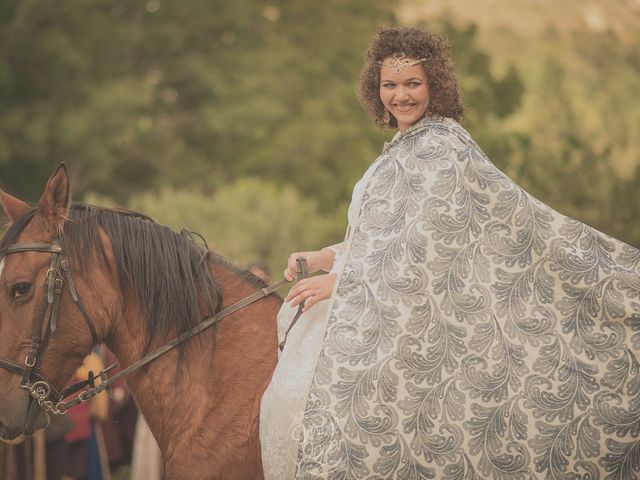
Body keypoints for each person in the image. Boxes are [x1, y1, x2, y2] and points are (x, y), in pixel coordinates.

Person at [260, 27, 640, 479]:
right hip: (376, 306)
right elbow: (387, 232)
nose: (400, 96)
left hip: (411, 315)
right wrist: (327, 254)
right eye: (390, 85)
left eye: (412, 84)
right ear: (374, 88)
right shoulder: (404, 148)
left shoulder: (441, 147)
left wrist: (344, 282)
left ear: (434, 84)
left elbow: (428, 242)